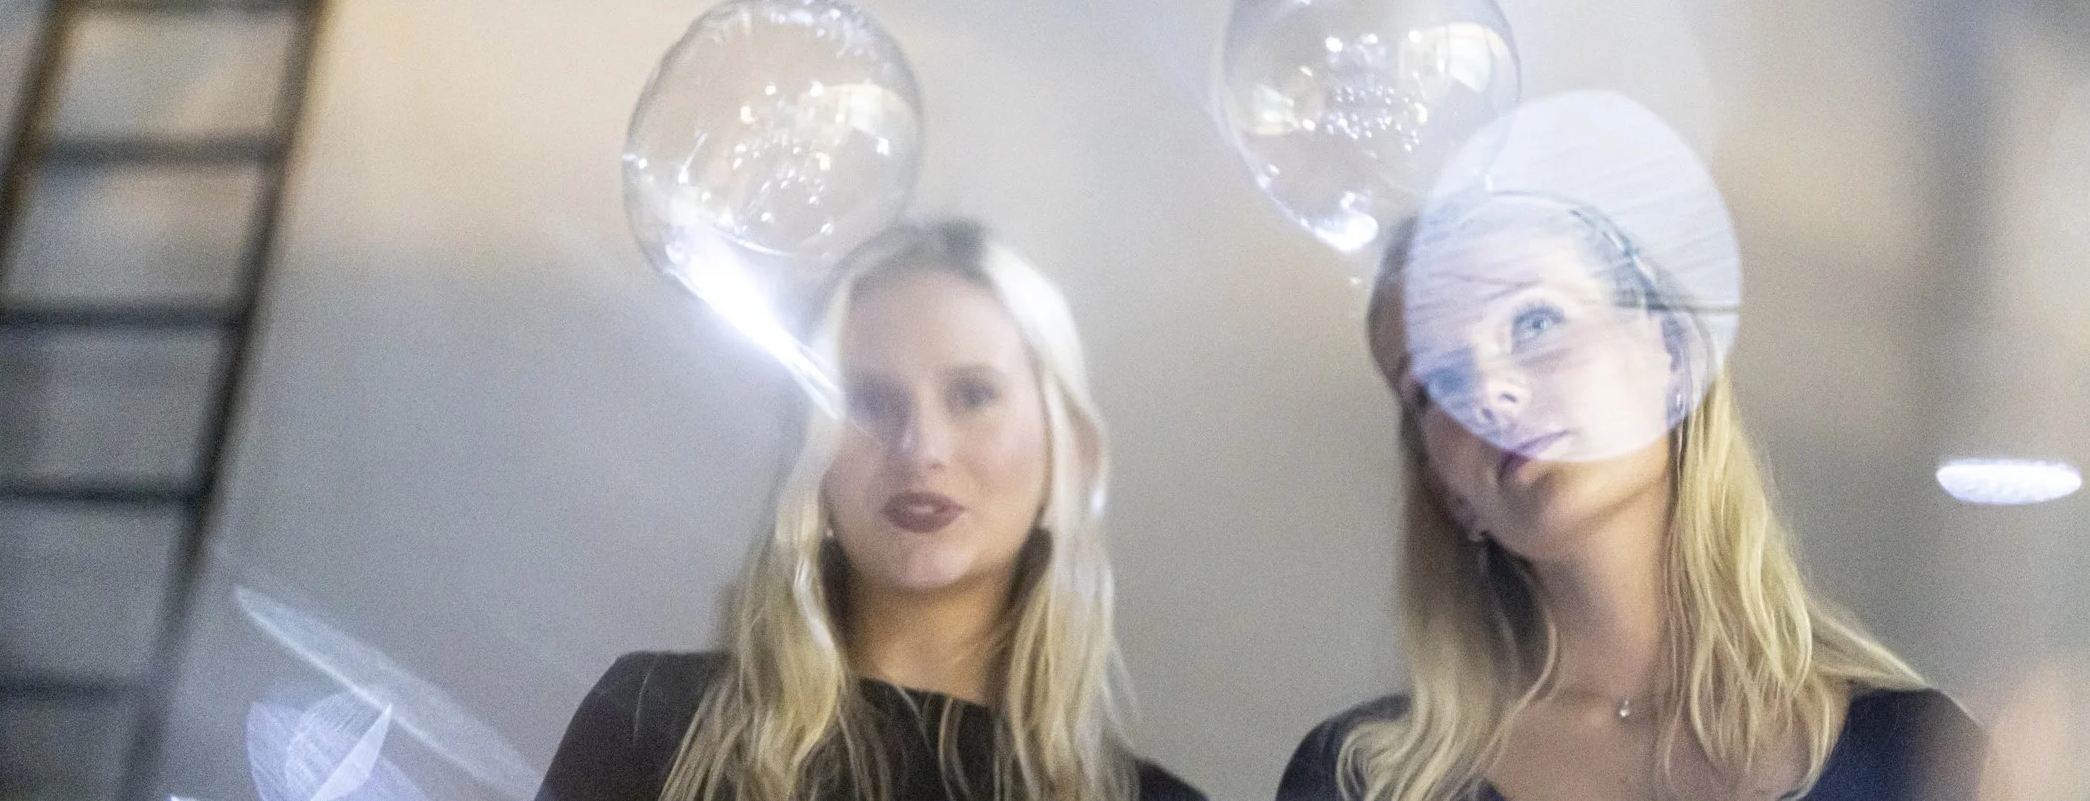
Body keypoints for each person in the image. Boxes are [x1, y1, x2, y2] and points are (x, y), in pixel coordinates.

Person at [1280, 196, 1982, 801]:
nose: (1491, 392)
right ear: (1447, 490)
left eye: (1532, 323)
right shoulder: (1362, 780)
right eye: (1436, 385)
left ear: (1669, 355)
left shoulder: (1918, 757)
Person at [542, 219, 1203, 801]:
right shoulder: (651, 723)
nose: (920, 449)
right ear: (814, 455)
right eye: (868, 401)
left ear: (1069, 454)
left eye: (973, 395)